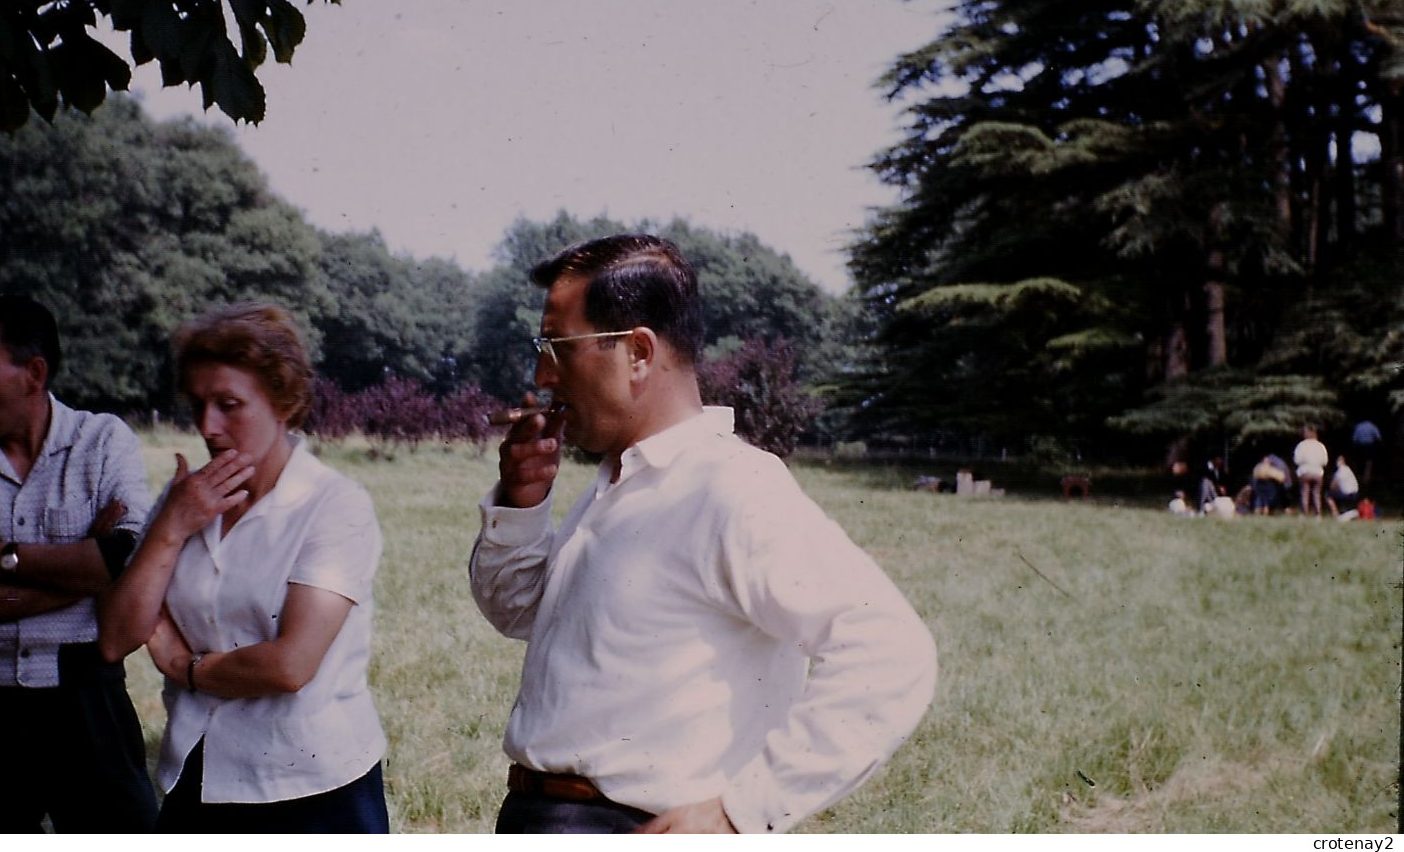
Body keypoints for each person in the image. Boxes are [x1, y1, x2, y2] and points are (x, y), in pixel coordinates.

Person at [469, 235, 937, 834]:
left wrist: (740, 813)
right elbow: (516, 611)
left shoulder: (729, 487)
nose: (541, 375)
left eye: (558, 347)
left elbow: (892, 650)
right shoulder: (620, 481)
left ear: (637, 352)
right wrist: (522, 503)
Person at [97, 303, 389, 833]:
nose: (208, 426)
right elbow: (116, 637)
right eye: (198, 404)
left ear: (284, 402)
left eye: (230, 405)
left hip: (310, 786)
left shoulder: (334, 506)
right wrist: (170, 526)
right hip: (197, 770)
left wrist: (184, 668)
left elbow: (289, 666)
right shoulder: (185, 498)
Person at [0, 295, 157, 833]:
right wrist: (81, 577)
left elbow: (128, 555)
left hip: (90, 702)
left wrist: (1, 560)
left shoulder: (103, 443)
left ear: (33, 373)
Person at [1293, 425, 1329, 517]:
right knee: (1316, 493)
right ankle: (1318, 514)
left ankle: (1304, 513)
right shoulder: (1320, 446)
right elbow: (1325, 461)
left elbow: (1297, 460)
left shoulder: (1301, 445)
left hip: (1305, 471)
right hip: (1318, 472)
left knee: (1305, 493)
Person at [1327, 454, 1361, 519]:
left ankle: (1335, 514)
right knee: (1337, 493)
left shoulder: (1340, 470)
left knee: (1328, 494)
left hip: (1348, 494)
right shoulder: (1348, 469)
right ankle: (1345, 512)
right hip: (1355, 494)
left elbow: (1333, 486)